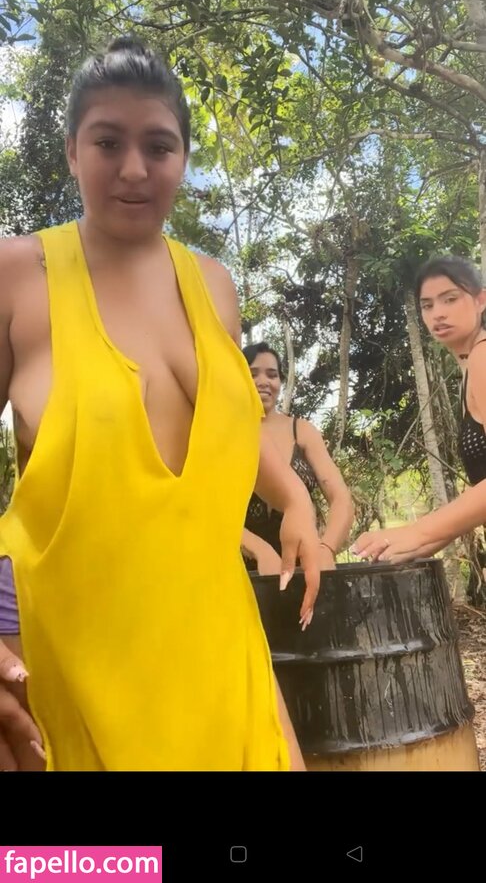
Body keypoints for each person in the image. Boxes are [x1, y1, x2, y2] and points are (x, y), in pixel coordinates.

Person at [0, 37, 321, 772]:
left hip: (219, 647)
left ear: (183, 158)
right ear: (71, 151)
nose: (134, 169)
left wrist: (295, 497)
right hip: (70, 668)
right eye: (107, 142)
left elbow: (225, 435)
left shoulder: (213, 285)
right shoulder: (20, 274)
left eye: (159, 146)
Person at [352, 255, 486, 564]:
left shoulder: (482, 357)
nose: (438, 313)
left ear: (481, 301)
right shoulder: (471, 366)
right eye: (427, 305)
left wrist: (418, 532)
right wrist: (419, 543)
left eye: (450, 299)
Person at [241, 342, 354, 574]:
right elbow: (209, 511)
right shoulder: (223, 433)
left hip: (305, 569)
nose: (263, 381)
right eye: (253, 374)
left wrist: (326, 548)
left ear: (280, 382)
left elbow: (341, 498)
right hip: (241, 572)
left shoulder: (302, 431)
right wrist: (259, 550)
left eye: (272, 375)